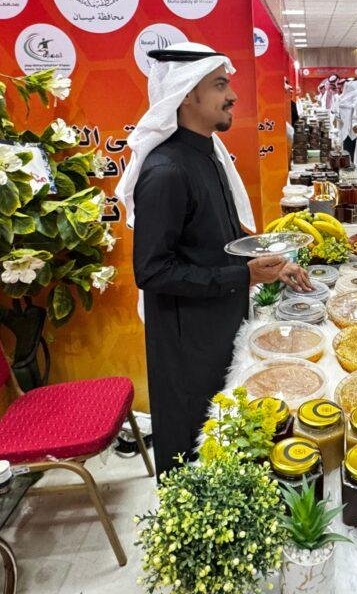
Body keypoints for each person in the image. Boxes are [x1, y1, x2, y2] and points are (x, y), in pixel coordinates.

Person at [118, 42, 311, 477]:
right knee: (194, 449)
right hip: (189, 340)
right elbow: (152, 271)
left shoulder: (206, 153)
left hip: (217, 321)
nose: (233, 96)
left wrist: (273, 263)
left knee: (225, 437)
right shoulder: (167, 171)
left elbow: (220, 239)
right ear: (187, 93)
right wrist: (242, 277)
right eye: (220, 85)